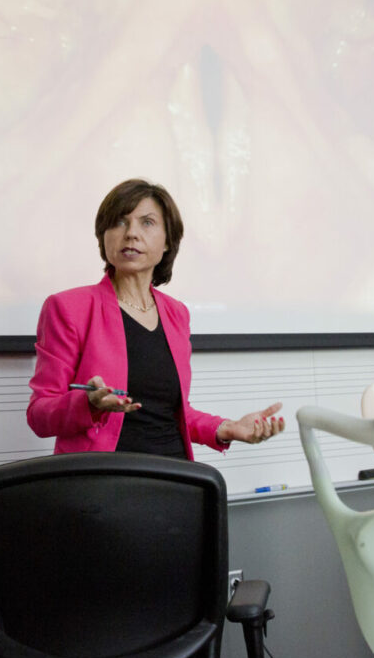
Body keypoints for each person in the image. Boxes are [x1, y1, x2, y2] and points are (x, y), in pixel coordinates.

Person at [27, 178, 284, 459]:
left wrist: (227, 428)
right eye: (119, 222)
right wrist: (88, 404)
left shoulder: (176, 313)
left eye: (147, 222)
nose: (131, 234)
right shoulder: (67, 307)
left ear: (167, 242)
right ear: (103, 236)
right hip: (102, 477)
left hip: (173, 472)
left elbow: (174, 412)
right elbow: (40, 414)